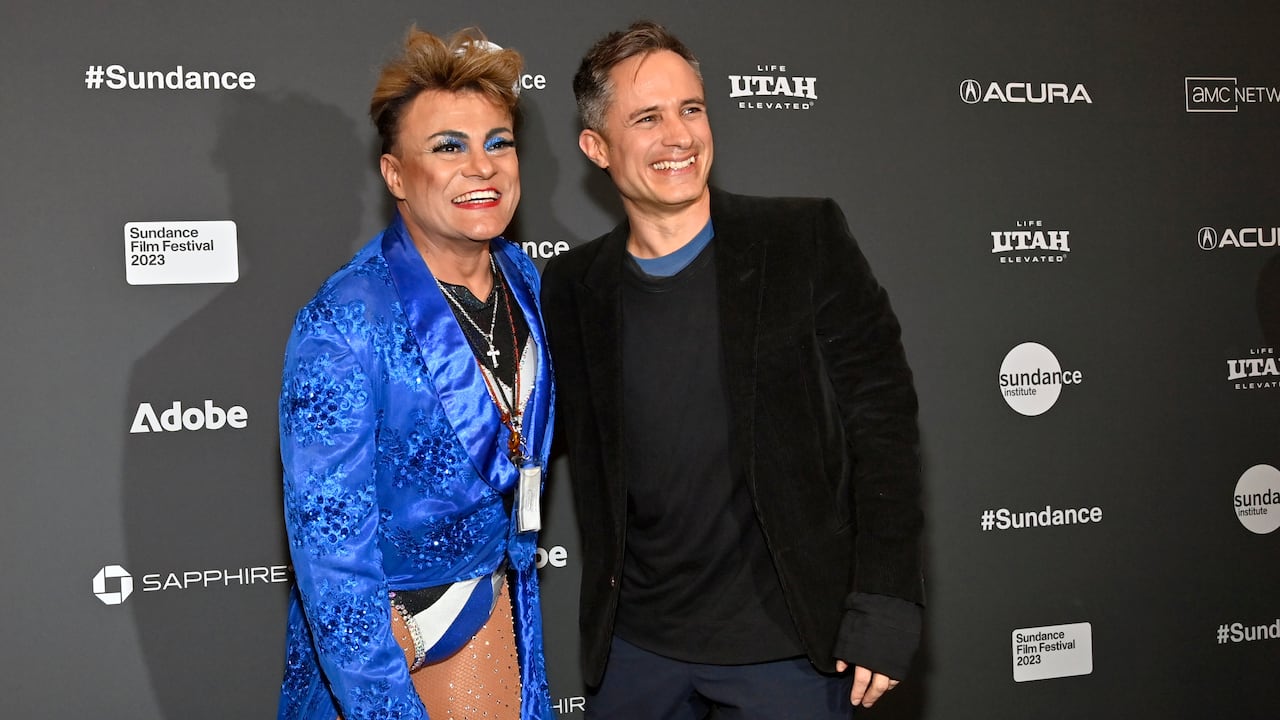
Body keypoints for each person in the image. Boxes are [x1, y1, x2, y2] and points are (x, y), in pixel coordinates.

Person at [540, 21, 924, 719]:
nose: (679, 137)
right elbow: (538, 438)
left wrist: (888, 600)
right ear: (597, 147)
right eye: (648, 118)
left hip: (790, 654)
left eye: (691, 109)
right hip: (636, 655)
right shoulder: (571, 287)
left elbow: (884, 423)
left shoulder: (802, 240)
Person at [276, 26, 554, 720]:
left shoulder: (533, 284)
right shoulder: (342, 324)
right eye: (449, 147)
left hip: (492, 610)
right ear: (397, 174)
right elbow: (332, 558)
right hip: (380, 640)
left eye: (498, 142)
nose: (482, 167)